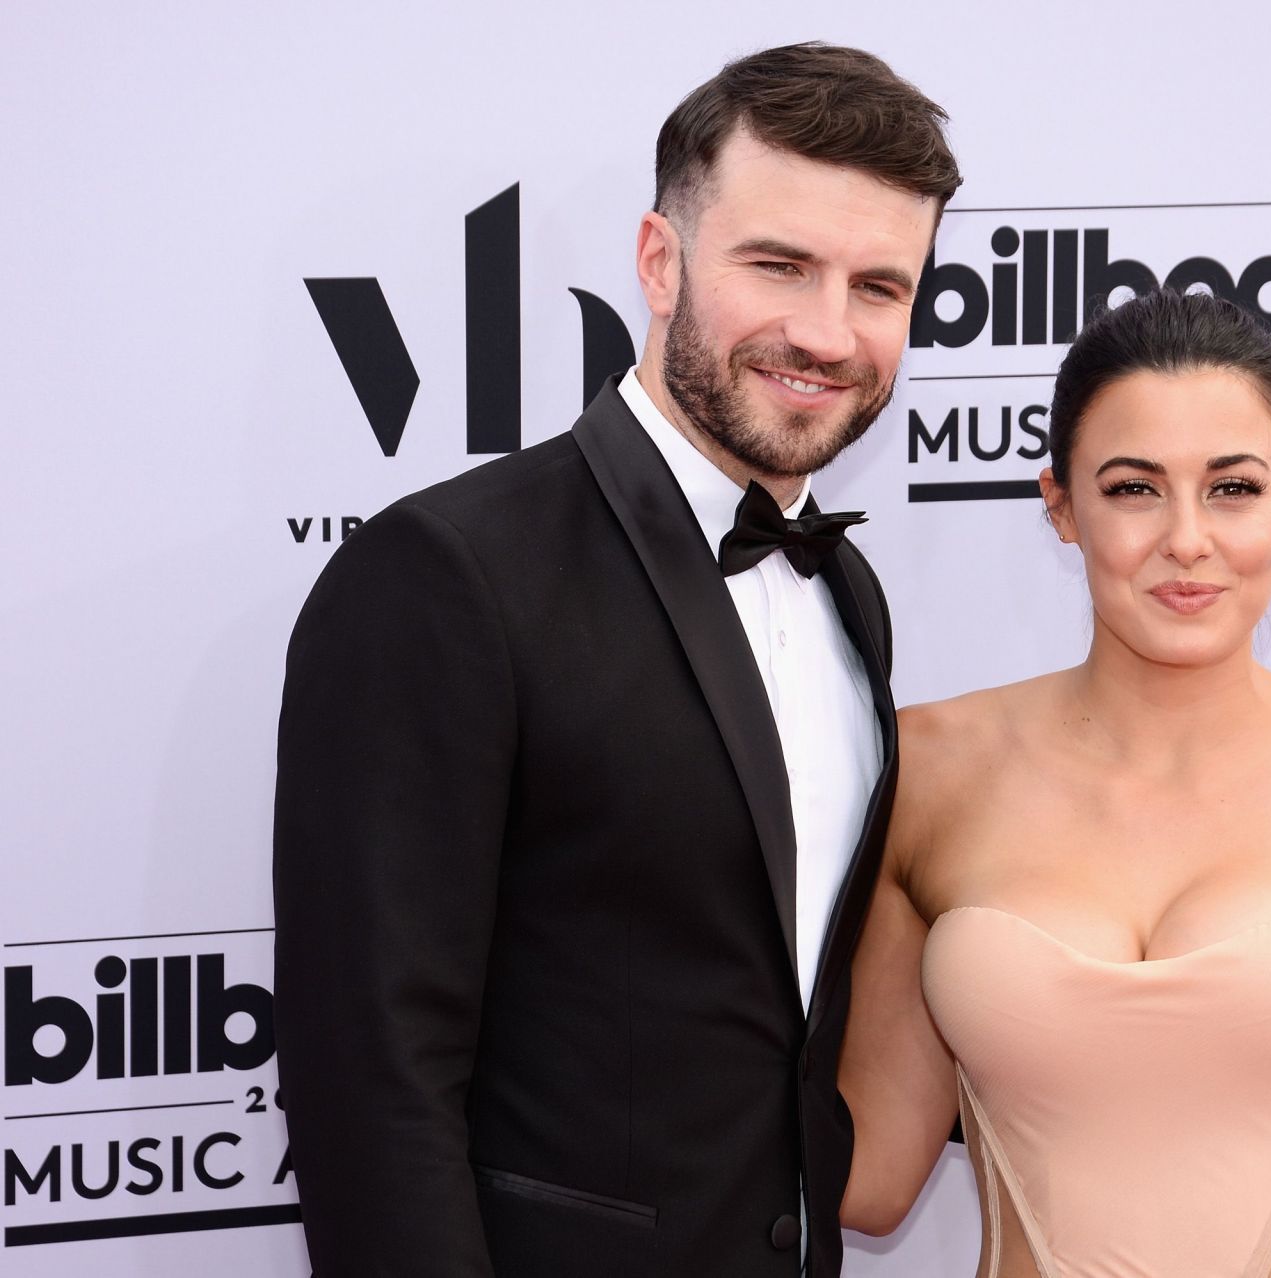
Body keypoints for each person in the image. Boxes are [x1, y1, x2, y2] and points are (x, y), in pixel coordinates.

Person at [273, 44, 956, 1277]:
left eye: (880, 286)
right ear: (658, 261)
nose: (826, 331)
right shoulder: (446, 576)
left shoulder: (848, 592)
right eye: (780, 265)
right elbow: (370, 1081)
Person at [838, 289, 1271, 1275]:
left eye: (1233, 488)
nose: (1186, 540)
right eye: (1132, 488)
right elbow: (866, 1176)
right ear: (1060, 504)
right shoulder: (925, 773)